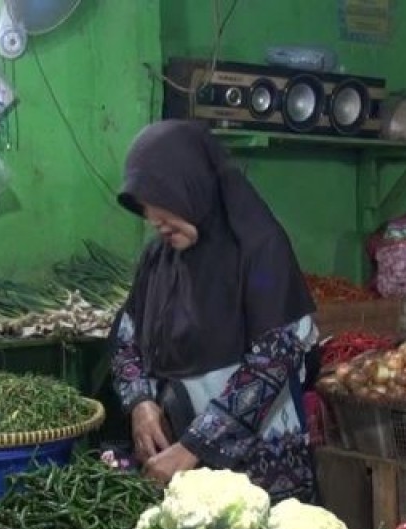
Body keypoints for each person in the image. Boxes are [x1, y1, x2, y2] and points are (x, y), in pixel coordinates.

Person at [110, 120, 319, 503]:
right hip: (178, 465)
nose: (153, 218)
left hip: (259, 471)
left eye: (160, 197)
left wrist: (194, 446)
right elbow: (126, 338)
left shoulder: (259, 249)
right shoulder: (160, 257)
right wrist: (139, 402)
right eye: (144, 204)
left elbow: (274, 360)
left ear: (194, 185)